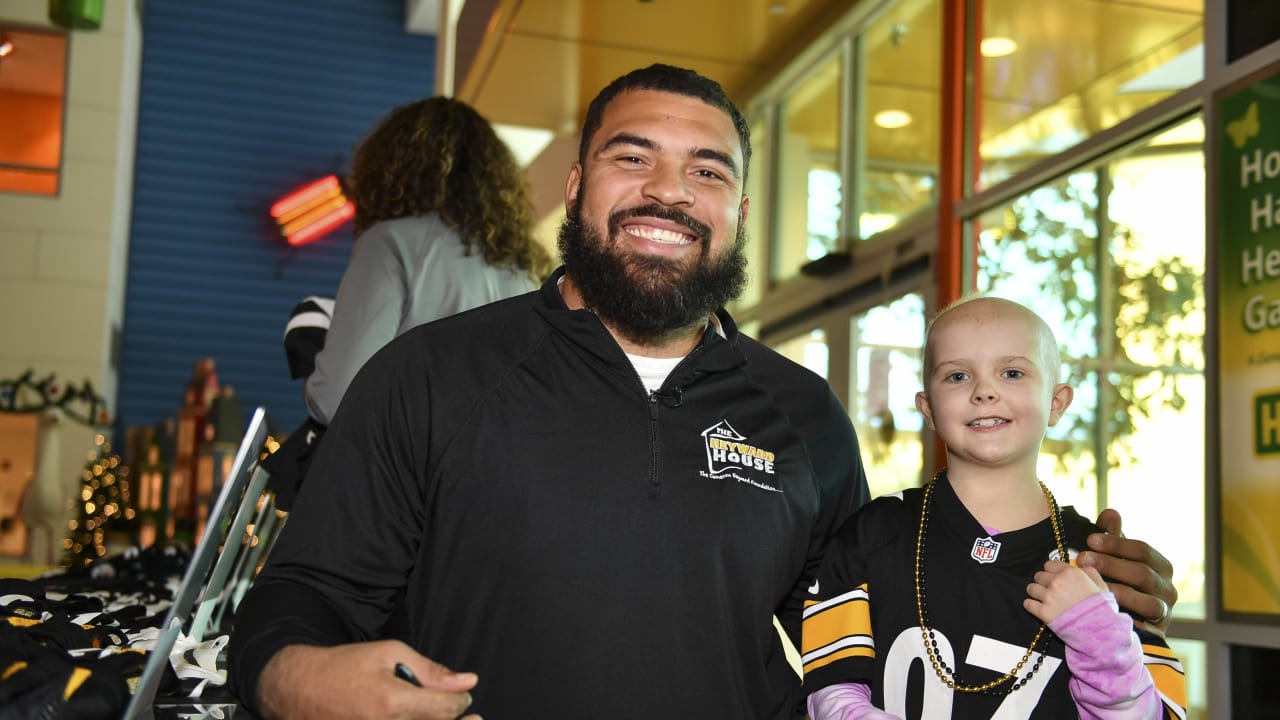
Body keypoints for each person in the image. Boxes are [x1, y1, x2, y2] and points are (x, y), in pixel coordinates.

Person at [228, 65, 1179, 719]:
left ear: (737, 212)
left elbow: (907, 600)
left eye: (707, 170)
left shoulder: (806, 418)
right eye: (631, 157)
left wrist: (1098, 581)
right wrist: (290, 678)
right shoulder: (429, 376)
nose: (667, 191)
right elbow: (307, 591)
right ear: (576, 184)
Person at [801, 296, 1186, 719]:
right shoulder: (871, 534)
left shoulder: (1100, 562)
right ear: (928, 409)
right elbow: (831, 699)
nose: (984, 391)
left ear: (1056, 403)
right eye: (958, 375)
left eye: (1013, 372)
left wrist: (1099, 635)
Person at [305, 96, 551, 426]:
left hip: (412, 470)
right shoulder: (525, 265)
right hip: (498, 469)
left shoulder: (390, 243)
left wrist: (313, 351)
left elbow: (337, 399)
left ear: (389, 169)